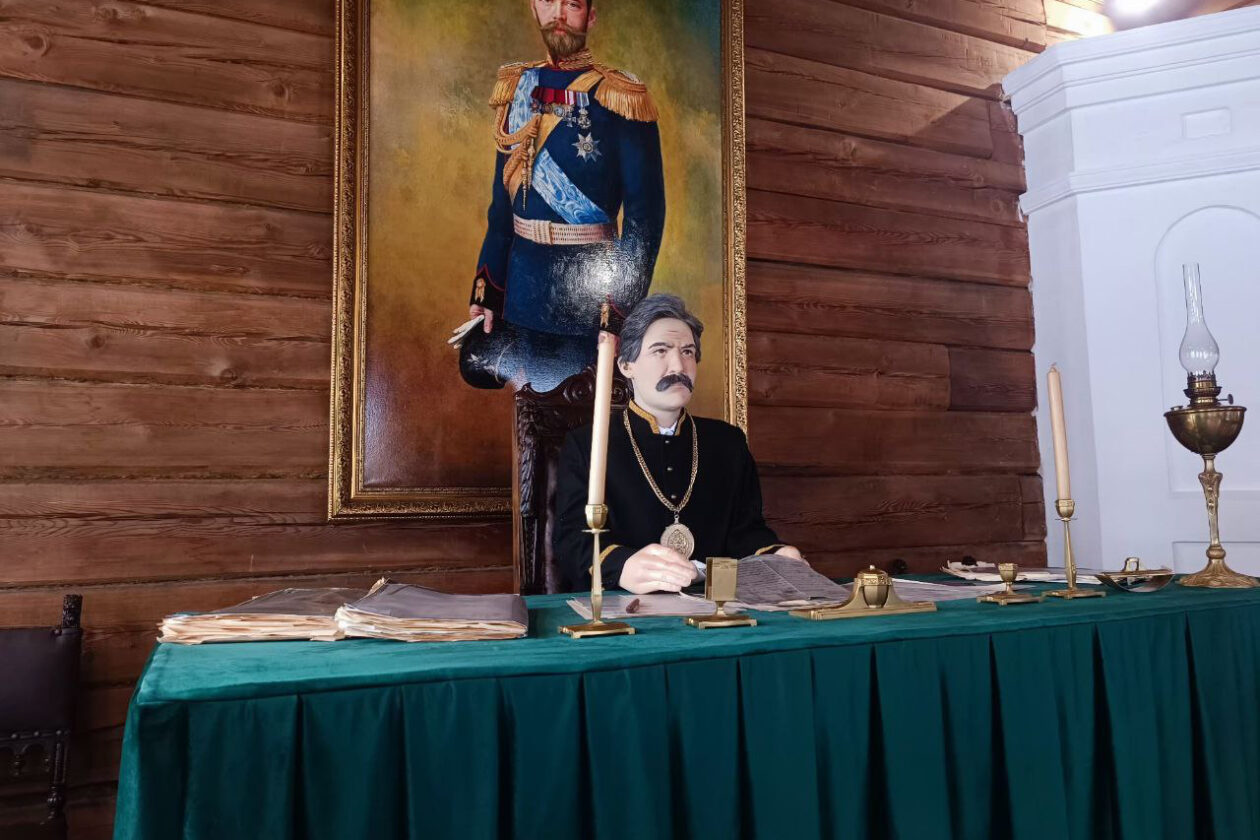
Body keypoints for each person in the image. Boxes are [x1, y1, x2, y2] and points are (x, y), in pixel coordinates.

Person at [458, 0, 666, 392]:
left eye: (571, 4)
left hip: (583, 305)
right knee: (526, 418)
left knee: (573, 419)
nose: (558, 14)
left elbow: (645, 218)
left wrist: (617, 312)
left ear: (591, 15)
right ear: (533, 8)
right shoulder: (517, 87)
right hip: (520, 294)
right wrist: (487, 292)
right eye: (548, 1)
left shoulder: (621, 96)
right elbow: (501, 212)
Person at [553, 294, 805, 594]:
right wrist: (621, 566)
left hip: (715, 605)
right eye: (661, 351)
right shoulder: (586, 445)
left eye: (688, 352)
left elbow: (745, 533)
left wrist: (776, 554)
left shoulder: (728, 443)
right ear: (626, 365)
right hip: (625, 604)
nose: (679, 366)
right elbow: (573, 540)